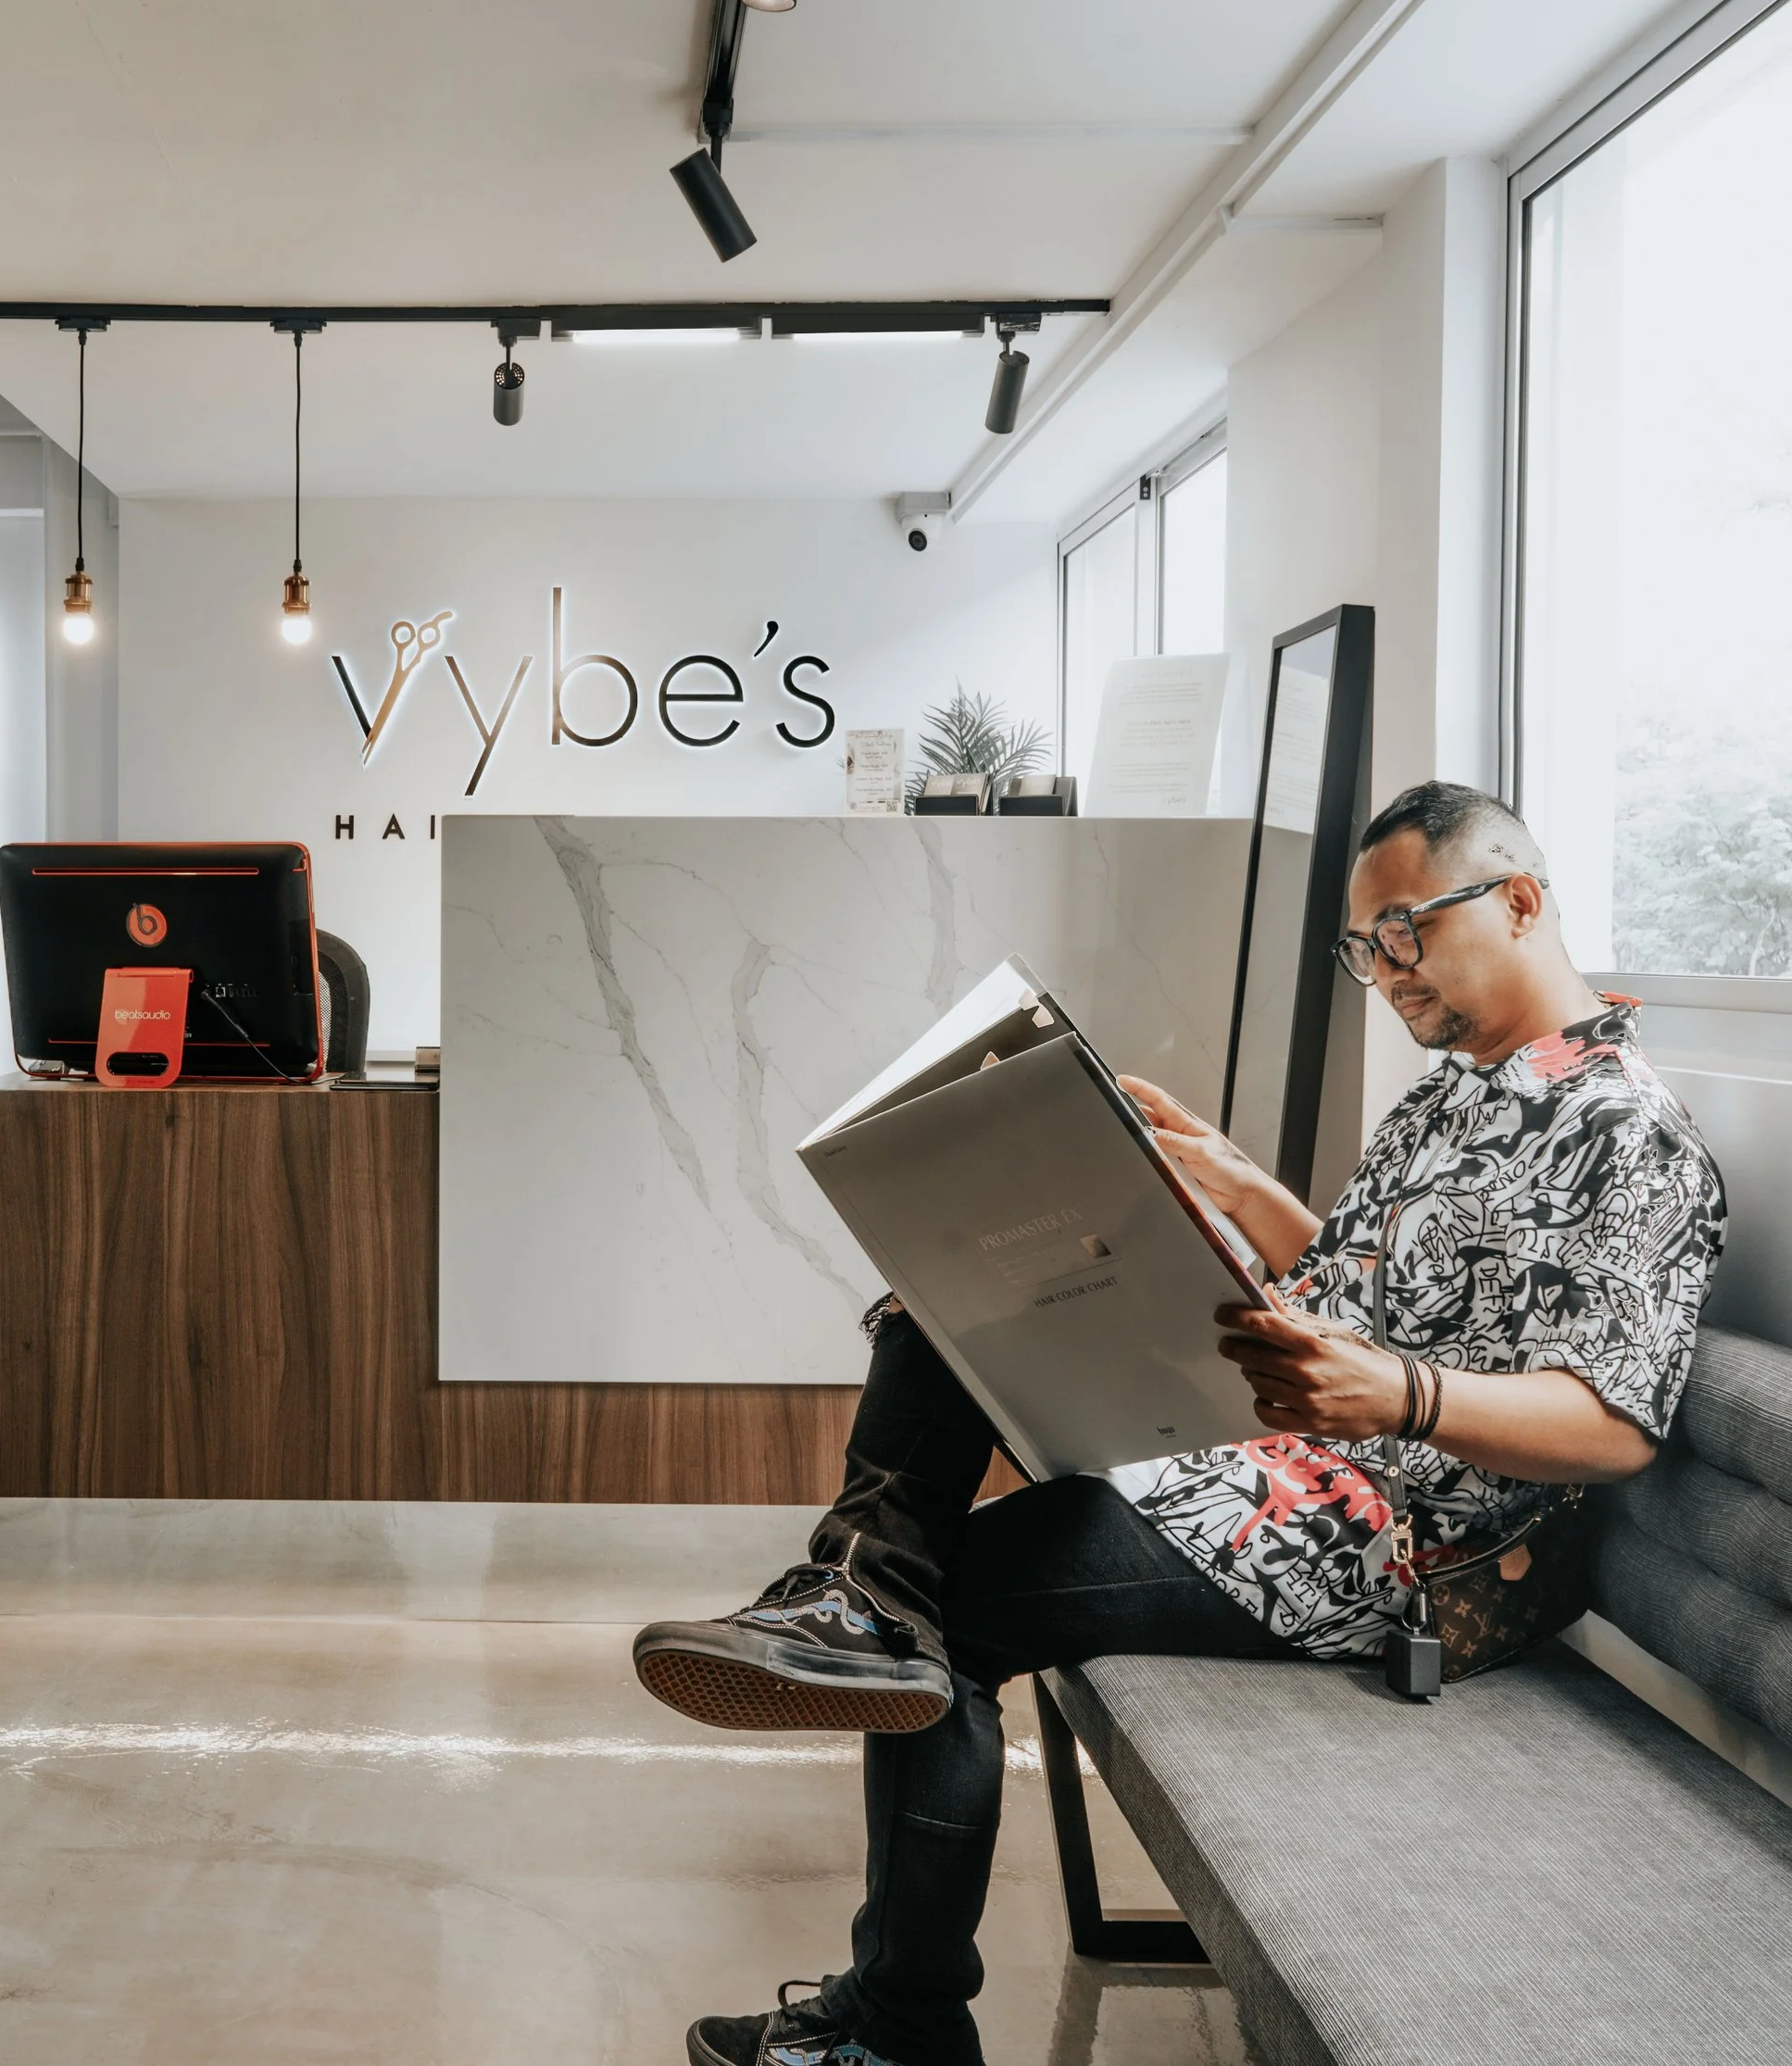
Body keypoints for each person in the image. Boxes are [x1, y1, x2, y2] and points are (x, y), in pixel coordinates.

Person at [633, 782, 1725, 2066]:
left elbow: (1610, 1423)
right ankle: (857, 1591)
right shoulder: (1459, 1089)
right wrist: (1237, 1192)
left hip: (1388, 1549)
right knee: (951, 1294)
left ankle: (898, 2009)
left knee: (953, 1611)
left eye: (1403, 935)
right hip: (1281, 1462)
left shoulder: (1630, 1134)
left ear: (1522, 901)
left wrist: (1398, 1396)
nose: (1381, 974)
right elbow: (1379, 1295)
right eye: (1362, 948)